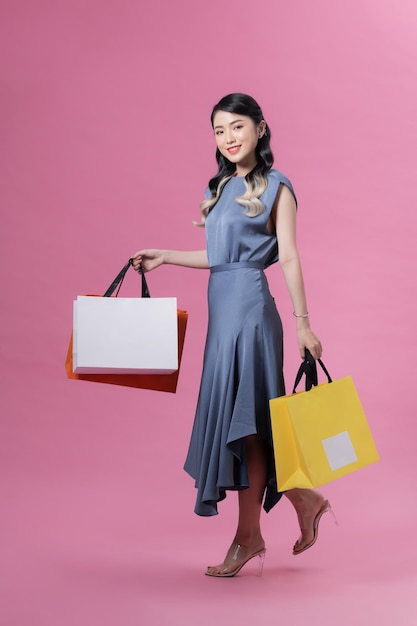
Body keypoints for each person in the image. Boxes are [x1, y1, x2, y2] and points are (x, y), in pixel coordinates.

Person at [131, 93, 333, 577]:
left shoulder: (278, 187)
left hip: (251, 315)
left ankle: (248, 538)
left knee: (248, 424)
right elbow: (220, 257)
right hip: (220, 317)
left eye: (237, 127)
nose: (228, 138)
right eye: (219, 131)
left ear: (260, 129)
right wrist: (166, 255)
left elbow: (288, 257)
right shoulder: (219, 186)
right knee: (245, 425)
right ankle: (303, 500)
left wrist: (304, 323)